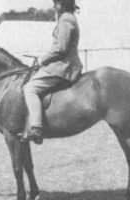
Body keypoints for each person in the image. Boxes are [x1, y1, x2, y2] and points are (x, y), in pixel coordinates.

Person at [22, 0, 83, 144]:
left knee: (30, 88)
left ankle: (36, 128)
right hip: (62, 64)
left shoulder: (65, 20)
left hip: (63, 67)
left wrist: (43, 60)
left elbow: (61, 48)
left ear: (64, 4)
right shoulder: (68, 18)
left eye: (57, 3)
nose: (54, 6)